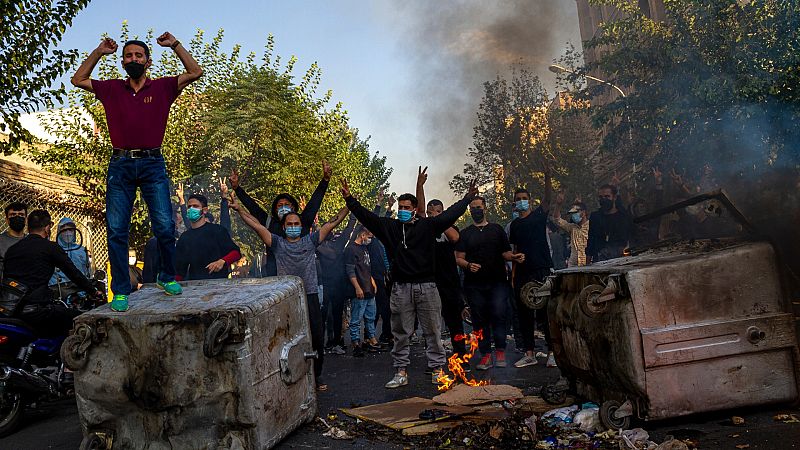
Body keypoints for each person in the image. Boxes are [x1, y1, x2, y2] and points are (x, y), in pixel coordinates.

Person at [71, 32, 203, 311]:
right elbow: (78, 79)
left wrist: (175, 45)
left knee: (165, 227)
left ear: (148, 61)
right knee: (117, 230)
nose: (133, 59)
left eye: (138, 56)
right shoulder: (111, 89)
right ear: (122, 61)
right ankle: (120, 290)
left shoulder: (164, 87)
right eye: (129, 56)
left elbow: (195, 71)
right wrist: (98, 51)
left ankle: (166, 277)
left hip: (153, 163)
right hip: (120, 165)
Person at [341, 176, 478, 388]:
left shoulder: (428, 226)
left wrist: (468, 198)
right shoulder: (391, 228)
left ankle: (437, 370)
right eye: (400, 207)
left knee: (432, 330)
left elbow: (450, 214)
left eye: (407, 207)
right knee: (401, 333)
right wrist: (350, 199)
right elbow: (367, 217)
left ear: (415, 209)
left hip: (428, 287)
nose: (402, 210)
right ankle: (401, 371)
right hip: (401, 288)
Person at [230, 193, 348, 392]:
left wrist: (349, 204)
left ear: (301, 226)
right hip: (287, 298)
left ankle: (316, 376)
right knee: (286, 338)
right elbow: (256, 225)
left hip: (309, 295)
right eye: (289, 223)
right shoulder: (277, 243)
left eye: (296, 223)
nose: (293, 226)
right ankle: (288, 376)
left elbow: (331, 223)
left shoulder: (310, 241)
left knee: (317, 338)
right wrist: (240, 209)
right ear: (283, 227)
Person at [1, 210, 103, 336]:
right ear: (47, 227)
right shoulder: (50, 247)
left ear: (28, 226)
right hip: (37, 310)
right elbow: (73, 273)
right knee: (83, 320)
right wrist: (93, 291)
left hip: (11, 310)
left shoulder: (12, 250)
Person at [455, 196, 524, 370]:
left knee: (499, 314)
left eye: (478, 207)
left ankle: (500, 350)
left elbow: (505, 253)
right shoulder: (465, 233)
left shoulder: (496, 229)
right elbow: (459, 258)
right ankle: (485, 354)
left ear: (485, 208)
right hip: (474, 285)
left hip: (498, 282)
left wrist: (514, 257)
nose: (475, 210)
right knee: (479, 319)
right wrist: (469, 265)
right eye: (472, 208)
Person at [229, 162, 331, 276]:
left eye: (287, 204)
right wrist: (237, 189)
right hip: (276, 278)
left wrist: (325, 181)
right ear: (275, 209)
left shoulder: (303, 220)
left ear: (293, 207)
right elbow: (253, 207)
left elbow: (314, 202)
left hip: (303, 277)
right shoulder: (269, 223)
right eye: (280, 205)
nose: (284, 207)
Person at [414, 168, 469, 359]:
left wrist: (441, 221)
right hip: (430, 284)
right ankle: (435, 361)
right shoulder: (424, 228)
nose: (432, 215)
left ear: (442, 213)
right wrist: (420, 185)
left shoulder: (449, 228)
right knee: (432, 324)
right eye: (430, 213)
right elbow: (419, 211)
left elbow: (455, 238)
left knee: (455, 322)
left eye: (436, 212)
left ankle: (461, 356)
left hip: (449, 284)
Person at [175, 194, 241, 281]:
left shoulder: (218, 230)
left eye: (195, 206)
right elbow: (179, 271)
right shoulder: (184, 238)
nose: (191, 209)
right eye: (189, 206)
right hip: (195, 287)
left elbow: (236, 253)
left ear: (205, 210)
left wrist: (222, 261)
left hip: (220, 285)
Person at [317, 212, 357, 355]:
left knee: (329, 315)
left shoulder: (320, 246)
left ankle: (327, 343)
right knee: (332, 315)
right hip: (330, 285)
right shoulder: (335, 244)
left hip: (328, 285)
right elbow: (348, 230)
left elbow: (348, 230)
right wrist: (352, 217)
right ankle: (332, 342)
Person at [345, 225, 380, 357]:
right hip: (359, 290)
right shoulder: (351, 249)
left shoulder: (364, 248)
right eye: (369, 236)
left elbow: (367, 267)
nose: (370, 239)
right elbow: (350, 271)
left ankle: (371, 339)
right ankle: (355, 343)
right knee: (356, 319)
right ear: (362, 234)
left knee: (370, 317)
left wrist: (372, 282)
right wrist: (357, 287)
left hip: (369, 289)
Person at [585, 184, 635, 263]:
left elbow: (631, 237)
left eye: (607, 196)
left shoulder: (623, 216)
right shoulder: (595, 217)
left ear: (614, 197)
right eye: (601, 197)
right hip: (599, 260)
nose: (604, 199)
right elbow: (591, 239)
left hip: (621, 259)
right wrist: (588, 261)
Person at [49, 218, 92, 287]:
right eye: (64, 230)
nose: (68, 233)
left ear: (75, 231)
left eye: (70, 230)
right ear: (59, 232)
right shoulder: (53, 250)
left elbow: (88, 272)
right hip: (60, 291)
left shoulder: (82, 250)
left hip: (80, 290)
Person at [552, 194, 590, 267]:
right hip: (573, 265)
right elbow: (557, 219)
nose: (573, 215)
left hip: (589, 264)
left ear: (583, 212)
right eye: (572, 214)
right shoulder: (572, 227)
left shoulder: (592, 226)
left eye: (575, 213)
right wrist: (558, 205)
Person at [0, 202, 27, 273]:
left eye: (21, 215)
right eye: (13, 215)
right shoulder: (1, 241)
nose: (17, 217)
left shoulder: (32, 241)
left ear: (26, 219)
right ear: (7, 220)